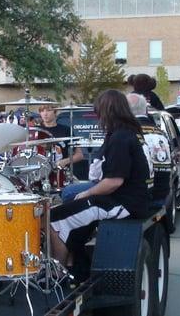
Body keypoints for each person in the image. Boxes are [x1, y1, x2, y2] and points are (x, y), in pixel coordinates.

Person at [49, 89, 151, 282]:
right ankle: (75, 265)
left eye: (98, 112)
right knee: (70, 212)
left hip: (123, 203)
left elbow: (114, 182)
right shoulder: (127, 133)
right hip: (128, 199)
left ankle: (57, 275)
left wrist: (86, 193)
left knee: (53, 219)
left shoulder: (120, 138)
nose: (98, 117)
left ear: (107, 111)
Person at [38, 104, 84, 169]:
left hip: (59, 171)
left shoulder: (66, 130)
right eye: (42, 111)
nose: (45, 114)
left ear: (55, 112)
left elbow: (79, 155)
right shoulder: (35, 130)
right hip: (38, 171)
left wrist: (65, 161)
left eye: (48, 110)